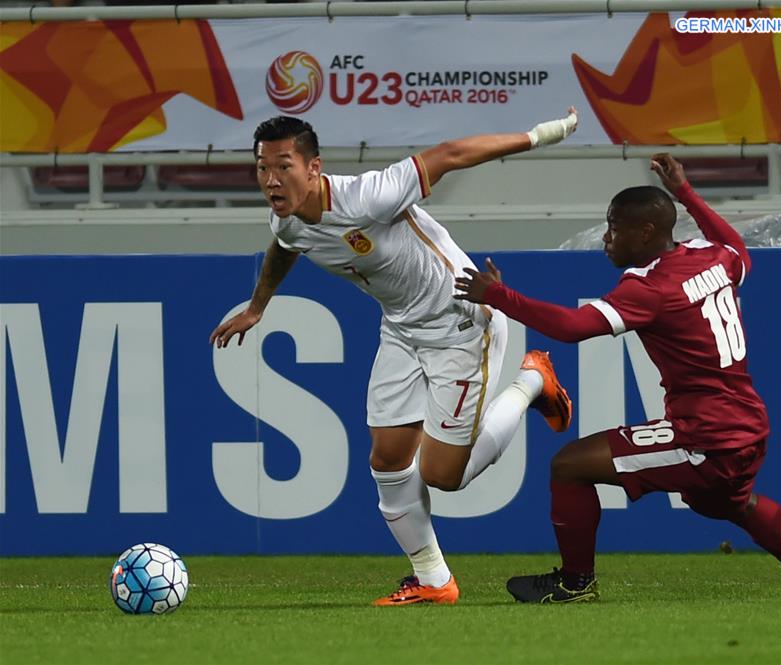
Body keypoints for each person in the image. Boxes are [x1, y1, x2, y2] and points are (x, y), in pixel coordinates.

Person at [209, 110, 580, 606]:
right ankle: (433, 581)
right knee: (386, 459)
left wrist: (538, 135)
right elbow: (284, 245)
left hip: (460, 323)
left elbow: (449, 154)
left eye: (284, 166)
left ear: (314, 167)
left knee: (443, 476)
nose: (271, 180)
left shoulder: (369, 195)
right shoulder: (285, 216)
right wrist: (258, 306)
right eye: (262, 169)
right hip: (402, 329)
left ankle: (531, 381)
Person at [454, 153, 781, 603]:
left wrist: (499, 295)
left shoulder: (650, 288)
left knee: (569, 466)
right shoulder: (711, 257)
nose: (606, 238)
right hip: (745, 425)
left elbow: (571, 328)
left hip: (706, 436)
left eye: (614, 227)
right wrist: (685, 192)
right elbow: (739, 251)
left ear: (645, 232)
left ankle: (574, 583)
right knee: (732, 502)